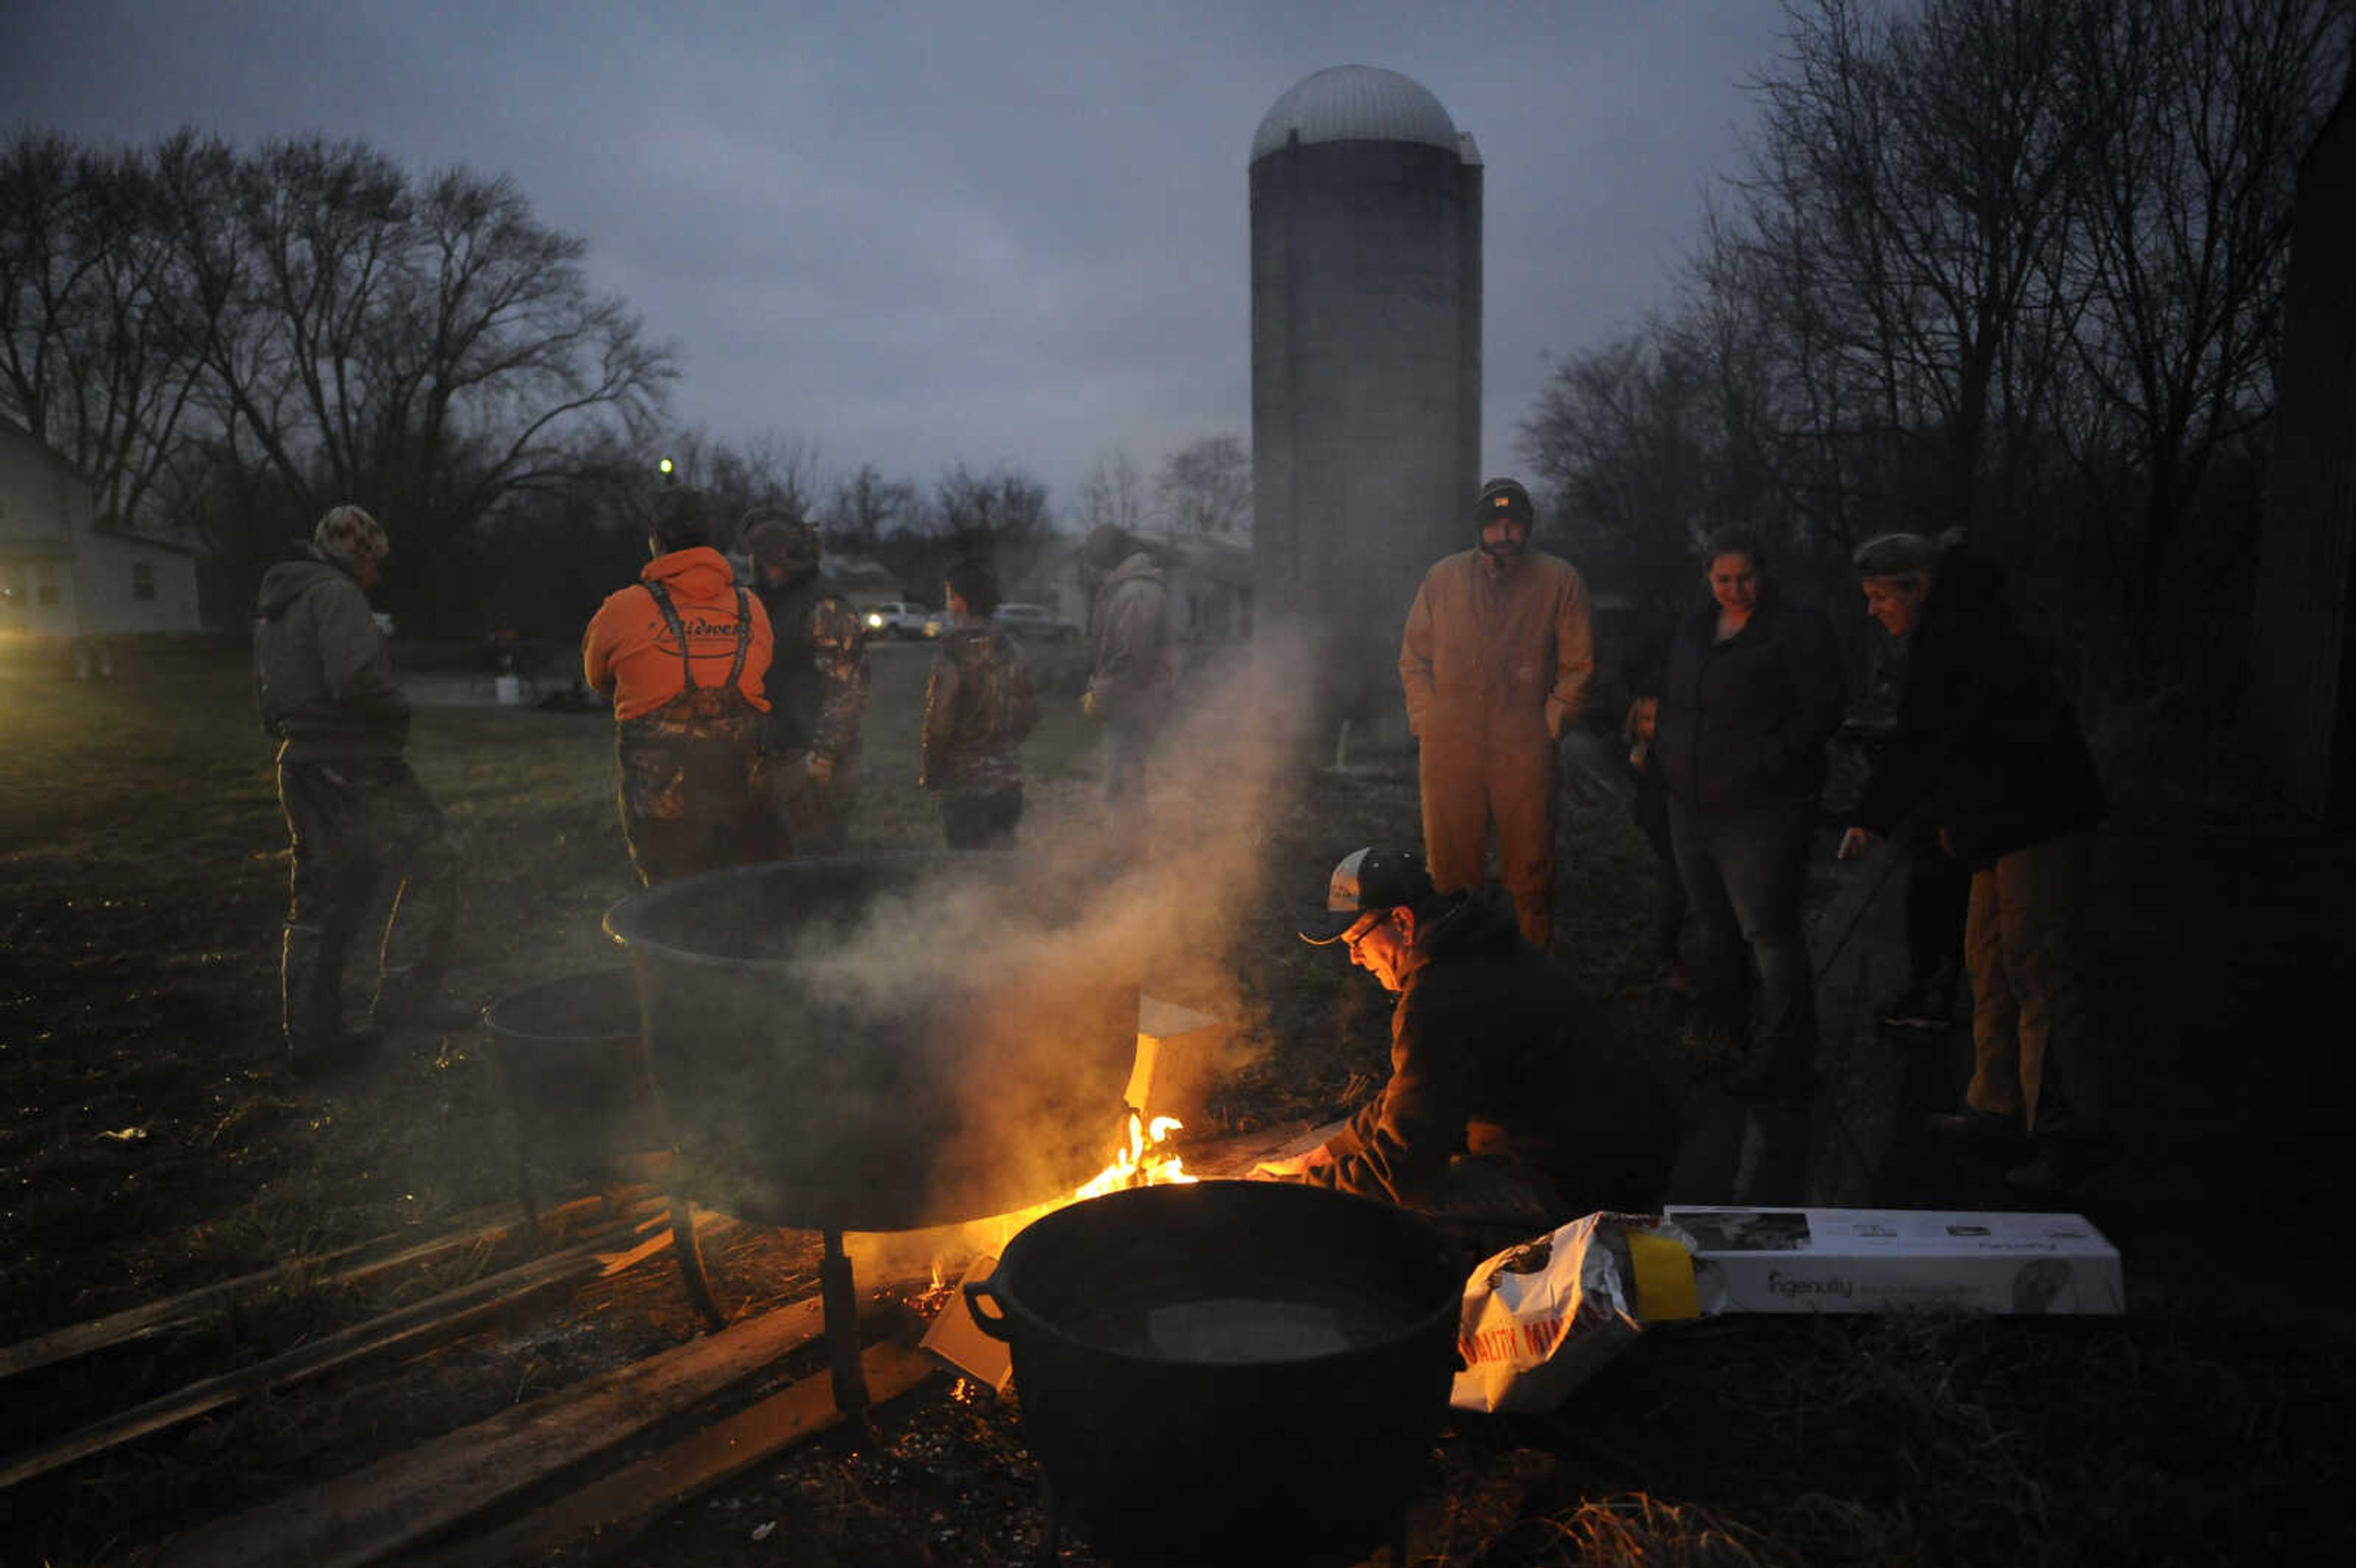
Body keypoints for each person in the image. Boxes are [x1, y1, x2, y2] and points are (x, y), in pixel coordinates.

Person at [1838, 532, 2109, 1193]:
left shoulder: (1959, 638)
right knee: (1988, 960)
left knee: (2039, 977)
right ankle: (1996, 1109)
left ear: (1916, 587)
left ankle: (2070, 1144)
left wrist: (1873, 816)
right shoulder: (1953, 635)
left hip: (2039, 824)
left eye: (1880, 596)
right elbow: (1952, 746)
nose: (1874, 610)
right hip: (1995, 828)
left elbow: (1926, 740)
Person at [1255, 845, 1676, 1234]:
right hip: (1631, 1147)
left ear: (1401, 922)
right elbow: (1418, 1089)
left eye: (1357, 941)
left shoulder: (1437, 1001)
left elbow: (1400, 1177)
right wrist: (1329, 1153)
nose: (1354, 958)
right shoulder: (1478, 943)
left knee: (1381, 1212)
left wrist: (1299, 1189)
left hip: (1584, 1183)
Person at [253, 504, 466, 1070]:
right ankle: (407, 999)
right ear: (358, 557)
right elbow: (355, 680)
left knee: (327, 896)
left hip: (299, 763)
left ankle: (312, 1038)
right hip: (355, 763)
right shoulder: (336, 596)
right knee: (436, 856)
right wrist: (399, 707)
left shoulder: (279, 607)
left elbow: (268, 702)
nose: (378, 575)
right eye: (374, 562)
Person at [1651, 530, 1846, 1097]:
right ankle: (1729, 1038)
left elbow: (1823, 708)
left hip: (1761, 811)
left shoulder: (1797, 629)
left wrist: (1768, 762)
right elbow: (1670, 696)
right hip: (1692, 806)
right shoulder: (1695, 628)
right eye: (1723, 579)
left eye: (1746, 577)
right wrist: (1665, 750)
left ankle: (1784, 1056)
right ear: (1707, 578)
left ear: (1764, 572)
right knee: (1717, 929)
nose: (1736, 590)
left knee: (1769, 932)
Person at [1398, 477, 1595, 953]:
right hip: (1451, 743)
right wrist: (1429, 720)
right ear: (1480, 528)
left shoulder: (1558, 579)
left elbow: (1579, 665)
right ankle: (1455, 978)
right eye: (1495, 524)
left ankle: (1535, 981)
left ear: (1526, 527)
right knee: (1451, 872)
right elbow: (1413, 658)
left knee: (1531, 872)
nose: (1504, 533)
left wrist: (1550, 723)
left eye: (1513, 523)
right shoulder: (1443, 579)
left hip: (1523, 741)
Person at [583, 489, 781, 885]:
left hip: (662, 802)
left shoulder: (620, 610)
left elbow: (599, 679)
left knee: (673, 907)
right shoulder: (752, 607)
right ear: (711, 540)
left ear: (656, 540)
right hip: (745, 793)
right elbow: (763, 671)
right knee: (745, 893)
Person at [739, 506, 872, 857]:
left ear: (769, 558)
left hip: (810, 766)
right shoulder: (757, 604)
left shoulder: (825, 607)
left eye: (754, 555)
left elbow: (849, 690)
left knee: (814, 878)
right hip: (769, 762)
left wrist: (823, 760)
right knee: (768, 874)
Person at [920, 555, 1040, 848]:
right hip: (1009, 784)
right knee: (1002, 869)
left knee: (967, 873)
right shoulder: (1014, 650)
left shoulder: (952, 655)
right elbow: (1029, 713)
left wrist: (932, 774)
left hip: (965, 787)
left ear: (959, 601)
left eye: (949, 597)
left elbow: (940, 724)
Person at [1079, 525, 1173, 856]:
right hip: (1129, 706)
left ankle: (1130, 860)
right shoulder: (1123, 590)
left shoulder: (1136, 594)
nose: (1086, 571)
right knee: (1123, 784)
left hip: (1138, 708)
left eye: (1088, 562)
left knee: (1126, 786)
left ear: (1101, 559)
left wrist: (1099, 696)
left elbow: (1132, 661)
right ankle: (1127, 855)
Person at [1623, 693, 1690, 985]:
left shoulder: (1673, 753)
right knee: (1673, 888)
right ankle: (1666, 954)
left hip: (1679, 826)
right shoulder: (1643, 758)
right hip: (1662, 831)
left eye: (1658, 719)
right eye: (1646, 720)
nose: (1653, 726)